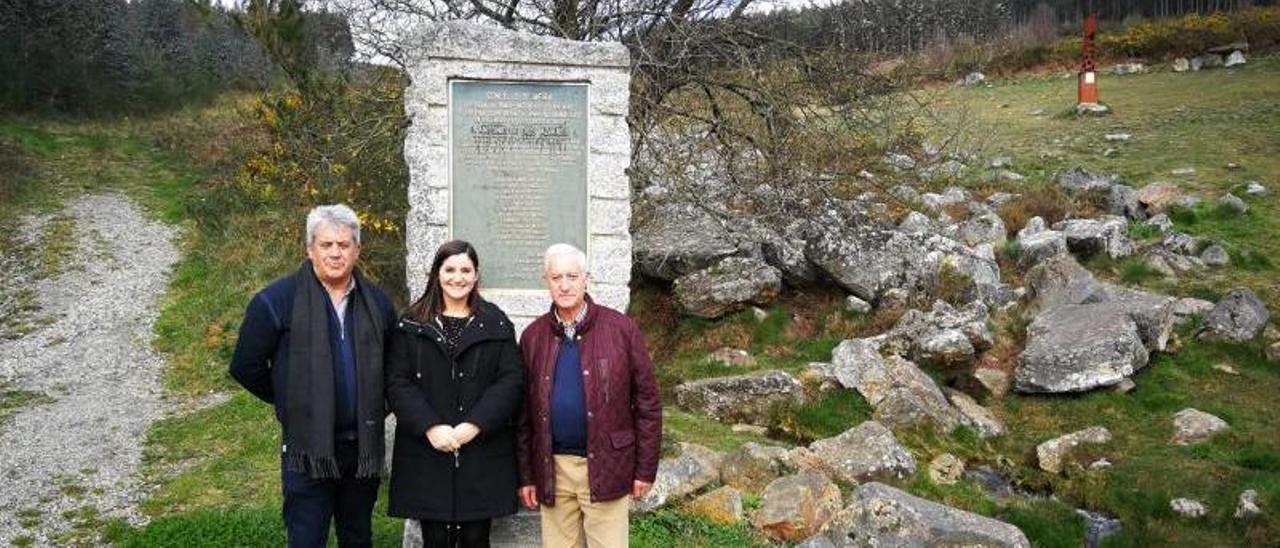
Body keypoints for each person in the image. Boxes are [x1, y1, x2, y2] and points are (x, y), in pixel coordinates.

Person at [229, 204, 396, 547]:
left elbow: (397, 367)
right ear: (309, 249)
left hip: (360, 449)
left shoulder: (378, 303)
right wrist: (294, 400)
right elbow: (246, 366)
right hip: (307, 449)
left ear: (357, 250)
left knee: (358, 536)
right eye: (326, 245)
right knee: (306, 538)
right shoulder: (277, 300)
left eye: (344, 244)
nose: (336, 253)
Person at [516, 243, 662, 547]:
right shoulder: (532, 337)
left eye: (572, 276)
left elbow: (648, 404)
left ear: (586, 279)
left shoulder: (621, 329)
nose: (565, 285)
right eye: (557, 277)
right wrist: (526, 475)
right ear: (546, 281)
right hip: (553, 467)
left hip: (608, 464)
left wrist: (645, 469)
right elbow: (523, 415)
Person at [385, 239, 524, 547]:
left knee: (476, 537)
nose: (457, 277)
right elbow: (397, 381)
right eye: (449, 269)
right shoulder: (411, 323)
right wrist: (431, 427)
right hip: (428, 450)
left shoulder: (496, 322)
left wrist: (472, 426)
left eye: (465, 270)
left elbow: (510, 380)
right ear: (437, 273)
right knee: (435, 537)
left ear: (476, 276)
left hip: (480, 450)